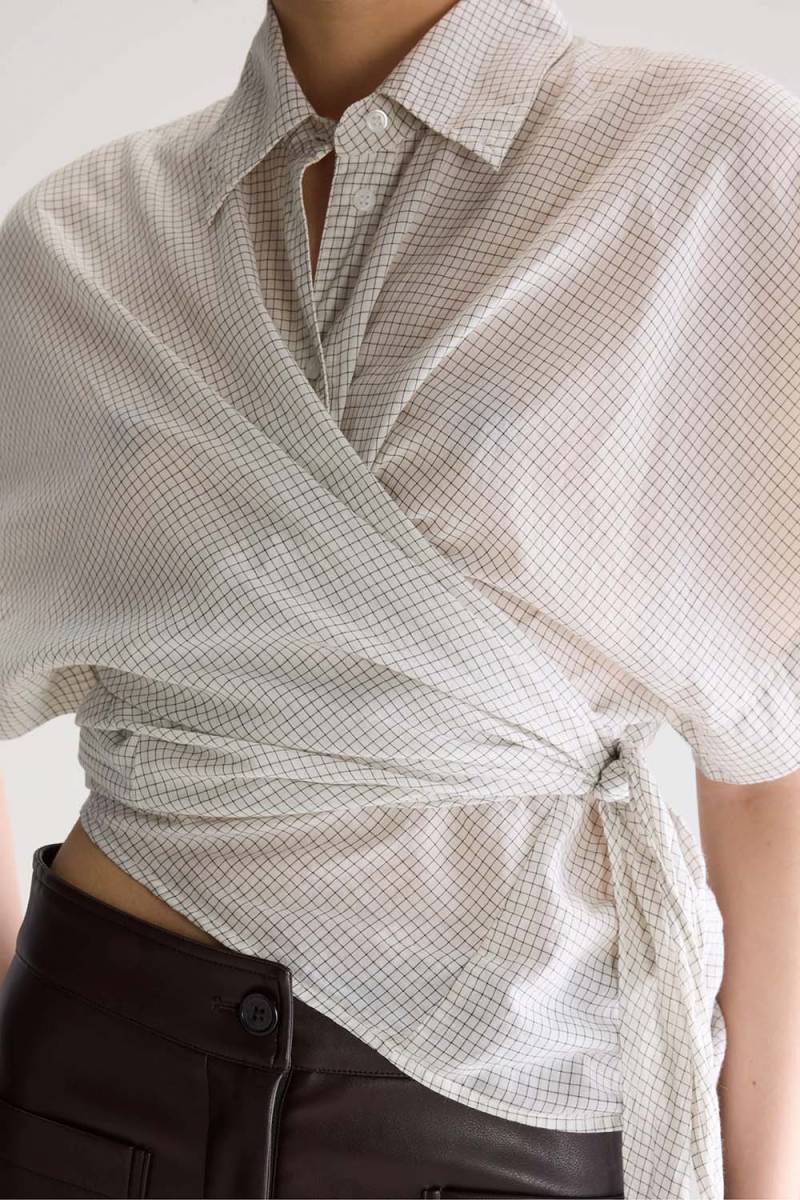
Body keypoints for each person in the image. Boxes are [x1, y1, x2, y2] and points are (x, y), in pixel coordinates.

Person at [1, 0, 800, 1196]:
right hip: (95, 1079)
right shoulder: (82, 237)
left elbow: (769, 760)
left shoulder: (698, 163)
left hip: (505, 1107)